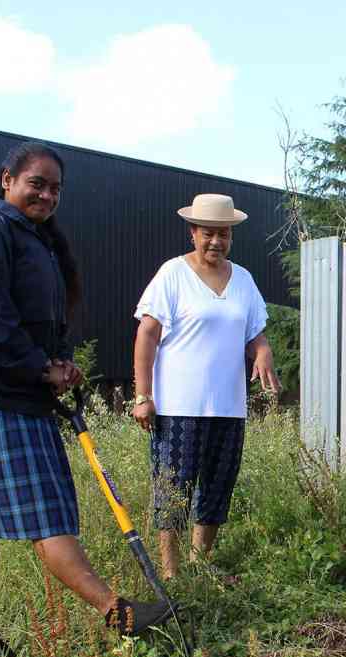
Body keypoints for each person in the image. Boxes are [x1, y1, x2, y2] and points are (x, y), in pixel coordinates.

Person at [0, 142, 172, 657]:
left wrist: (60, 363)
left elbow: (45, 322)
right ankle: (118, 612)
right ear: (7, 179)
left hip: (17, 393)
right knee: (40, 513)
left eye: (55, 188)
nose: (46, 194)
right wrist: (38, 367)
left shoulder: (37, 240)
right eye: (35, 183)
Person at [132, 193, 280, 581]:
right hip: (178, 406)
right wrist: (142, 396)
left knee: (217, 485)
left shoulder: (243, 279)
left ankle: (201, 563)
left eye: (224, 234)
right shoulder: (172, 274)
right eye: (209, 233)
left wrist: (262, 353)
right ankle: (171, 572)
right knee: (173, 490)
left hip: (228, 407)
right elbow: (147, 334)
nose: (216, 241)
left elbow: (254, 332)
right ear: (193, 232)